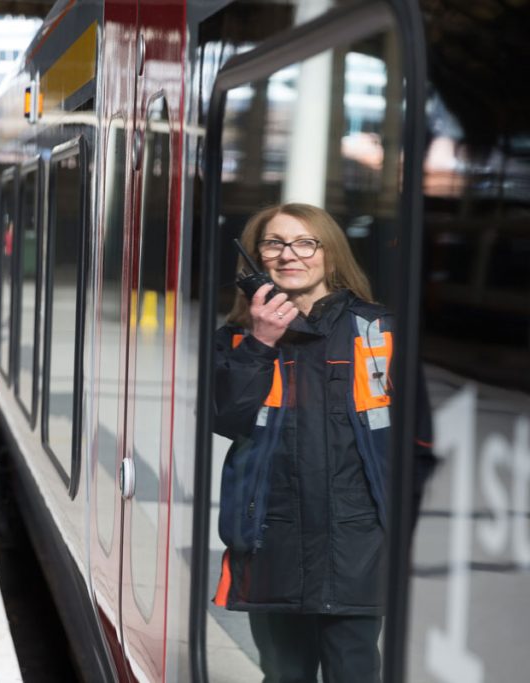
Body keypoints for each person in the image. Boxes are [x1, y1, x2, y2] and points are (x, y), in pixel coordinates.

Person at [211, 203, 436, 683]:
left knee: (354, 672)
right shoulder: (235, 338)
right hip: (272, 539)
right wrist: (261, 341)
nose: (289, 255)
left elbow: (417, 445)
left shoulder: (382, 330)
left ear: (330, 254)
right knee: (285, 674)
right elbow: (225, 418)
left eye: (304, 243)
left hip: (359, 543)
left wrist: (396, 533)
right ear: (255, 260)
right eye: (274, 243)